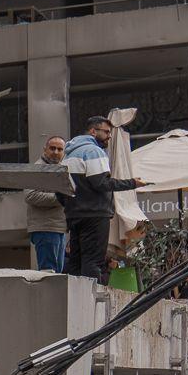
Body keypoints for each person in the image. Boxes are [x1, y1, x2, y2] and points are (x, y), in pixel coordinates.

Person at [61, 115, 146, 283]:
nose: (109, 136)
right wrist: (132, 183)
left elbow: (60, 189)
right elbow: (101, 182)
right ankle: (92, 305)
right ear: (93, 131)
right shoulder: (93, 151)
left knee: (76, 262)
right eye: (106, 132)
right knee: (93, 261)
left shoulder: (68, 154)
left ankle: (76, 302)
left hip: (74, 214)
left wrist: (70, 206)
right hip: (94, 214)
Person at [23, 134, 69, 273]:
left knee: (56, 273)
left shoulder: (60, 169)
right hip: (45, 227)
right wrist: (60, 198)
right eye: (52, 148)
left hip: (58, 227)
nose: (56, 152)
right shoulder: (37, 169)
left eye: (59, 149)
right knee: (48, 272)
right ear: (45, 149)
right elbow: (30, 195)